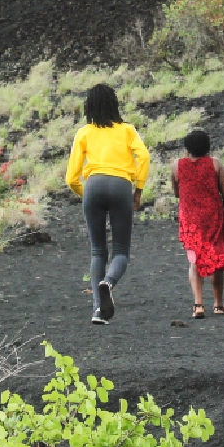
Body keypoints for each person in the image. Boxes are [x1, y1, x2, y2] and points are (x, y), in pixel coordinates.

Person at [65, 84, 150, 324]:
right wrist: (138, 189)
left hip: (93, 185)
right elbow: (144, 156)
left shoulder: (84, 133)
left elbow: (71, 178)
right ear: (114, 104)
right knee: (120, 250)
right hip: (121, 186)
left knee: (97, 251)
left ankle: (97, 310)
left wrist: (86, 194)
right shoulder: (127, 130)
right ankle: (108, 283)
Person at [172, 129, 224, 318]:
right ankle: (218, 304)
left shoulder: (177, 165)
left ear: (187, 148)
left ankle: (198, 304)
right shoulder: (215, 164)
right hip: (213, 218)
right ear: (208, 147)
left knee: (195, 260)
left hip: (190, 219)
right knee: (216, 259)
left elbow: (177, 192)